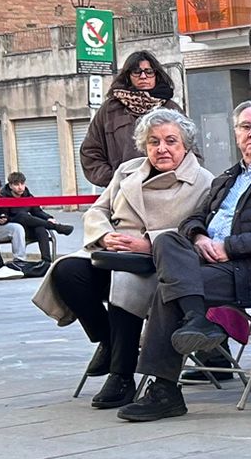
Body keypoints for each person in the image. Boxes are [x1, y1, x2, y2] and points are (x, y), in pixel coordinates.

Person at [124, 100, 251, 423]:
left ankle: (165, 390)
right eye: (244, 127)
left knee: (168, 292)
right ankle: (197, 318)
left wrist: (230, 247)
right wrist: (198, 237)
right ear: (235, 134)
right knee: (168, 240)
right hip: (206, 261)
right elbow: (193, 218)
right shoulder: (226, 178)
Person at [33, 108, 215, 410]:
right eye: (154, 142)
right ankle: (107, 340)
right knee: (66, 272)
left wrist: (148, 243)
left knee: (126, 282)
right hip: (111, 254)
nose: (162, 148)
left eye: (171, 141)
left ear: (186, 145)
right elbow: (97, 210)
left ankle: (121, 374)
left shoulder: (203, 182)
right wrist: (104, 236)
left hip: (156, 266)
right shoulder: (128, 170)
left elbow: (197, 229)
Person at [81, 50, 181, 187]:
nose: (143, 76)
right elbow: (90, 152)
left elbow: (191, 149)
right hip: (123, 192)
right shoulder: (110, 110)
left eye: (149, 71)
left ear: (156, 74)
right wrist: (115, 180)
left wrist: (176, 180)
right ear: (128, 76)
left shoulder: (171, 108)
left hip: (166, 190)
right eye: (137, 71)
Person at [0, 172, 75, 266]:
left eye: (22, 184)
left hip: (27, 227)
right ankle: (56, 227)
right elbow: (3, 216)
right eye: (16, 184)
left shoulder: (27, 195)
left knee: (41, 229)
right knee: (22, 216)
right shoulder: (3, 196)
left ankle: (47, 262)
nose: (20, 187)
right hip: (13, 228)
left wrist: (49, 218)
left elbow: (37, 211)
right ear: (10, 185)